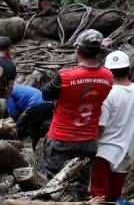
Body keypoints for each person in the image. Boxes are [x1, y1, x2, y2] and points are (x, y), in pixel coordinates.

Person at [39, 29, 114, 180]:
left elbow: (45, 94)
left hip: (62, 138)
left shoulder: (65, 76)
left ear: (78, 50)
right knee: (82, 181)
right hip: (89, 140)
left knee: (54, 180)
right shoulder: (108, 76)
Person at [90, 50, 134, 201]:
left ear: (107, 71)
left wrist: (87, 145)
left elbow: (100, 127)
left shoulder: (106, 94)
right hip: (128, 153)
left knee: (98, 195)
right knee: (115, 194)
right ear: (129, 69)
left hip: (104, 152)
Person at [0, 35, 17, 104]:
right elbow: (10, 87)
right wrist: (7, 99)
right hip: (1, 98)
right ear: (9, 48)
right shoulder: (12, 65)